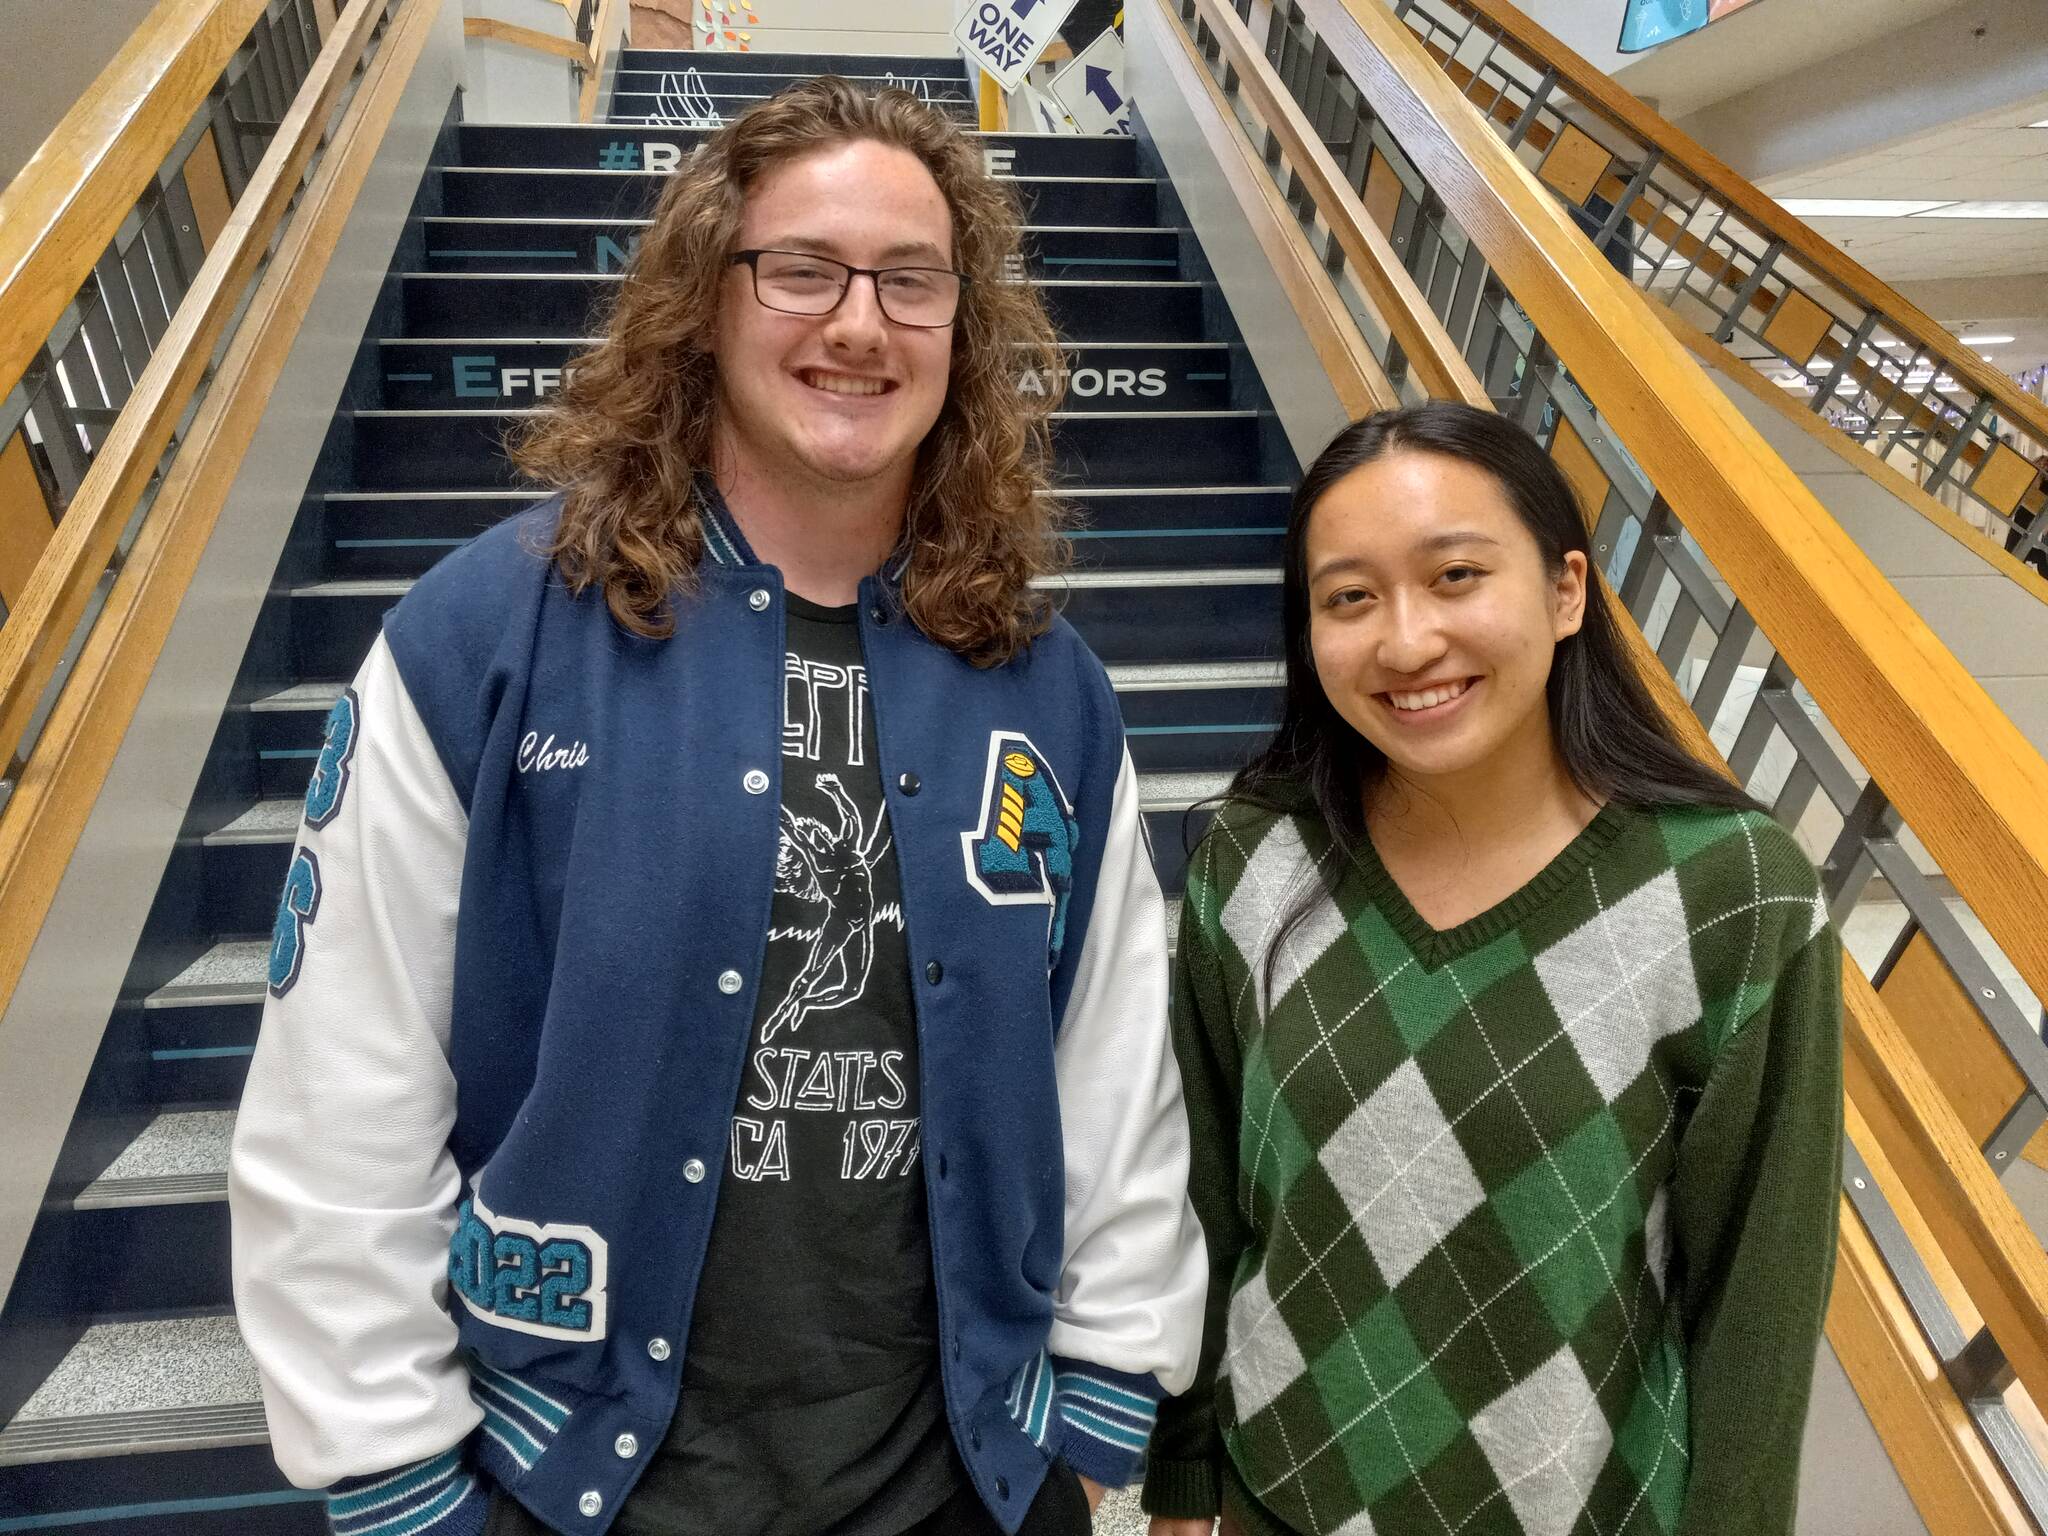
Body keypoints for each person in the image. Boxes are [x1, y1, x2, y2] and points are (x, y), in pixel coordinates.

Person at [229, 78, 1207, 1536]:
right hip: (581, 1484)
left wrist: (1104, 1372)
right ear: (704, 299)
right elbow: (343, 1086)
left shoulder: (1043, 687)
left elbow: (1110, 1059)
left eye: (912, 280)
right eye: (802, 269)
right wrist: (392, 1471)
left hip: (965, 1488)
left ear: (964, 327)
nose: (860, 324)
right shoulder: (482, 641)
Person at [1141, 403, 1843, 1536]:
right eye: (1348, 598)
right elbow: (1206, 1195)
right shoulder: (1253, 859)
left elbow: (1755, 1299)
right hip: (1284, 1494)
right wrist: (1180, 1470)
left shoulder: (1730, 891)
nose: (1405, 641)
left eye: (1455, 576)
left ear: (1566, 590)